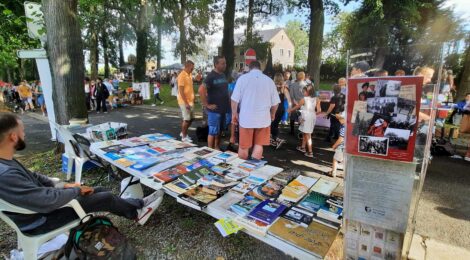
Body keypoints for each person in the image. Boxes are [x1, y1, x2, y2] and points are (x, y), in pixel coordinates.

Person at [0, 113, 165, 231]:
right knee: (104, 196)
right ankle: (137, 212)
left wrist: (67, 185)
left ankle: (137, 205)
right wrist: (76, 190)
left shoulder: (6, 160)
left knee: (98, 190)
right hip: (40, 220)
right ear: (13, 137)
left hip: (39, 211)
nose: (25, 134)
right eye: (22, 131)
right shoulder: (6, 174)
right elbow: (46, 201)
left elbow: (37, 178)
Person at [231, 61, 280, 160]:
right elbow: (275, 103)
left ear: (249, 68)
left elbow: (234, 100)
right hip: (263, 119)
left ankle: (241, 168)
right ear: (260, 68)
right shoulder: (269, 81)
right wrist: (273, 114)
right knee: (259, 145)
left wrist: (234, 114)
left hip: (246, 118)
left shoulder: (242, 79)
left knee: (244, 146)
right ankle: (253, 168)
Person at [199, 56, 230, 149]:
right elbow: (201, 90)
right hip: (214, 111)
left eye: (225, 63)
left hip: (223, 109)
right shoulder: (211, 76)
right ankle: (210, 150)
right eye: (222, 63)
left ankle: (217, 148)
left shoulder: (223, 75)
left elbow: (225, 89)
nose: (225, 65)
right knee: (212, 132)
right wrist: (206, 105)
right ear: (216, 64)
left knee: (219, 131)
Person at [288, 86, 321, 158]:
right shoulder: (317, 99)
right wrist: (312, 113)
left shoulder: (304, 99)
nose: (303, 93)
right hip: (312, 116)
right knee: (305, 133)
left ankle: (310, 152)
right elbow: (319, 111)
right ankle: (303, 147)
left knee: (307, 135)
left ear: (308, 92)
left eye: (304, 91)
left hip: (306, 117)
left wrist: (290, 110)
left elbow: (297, 107)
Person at [271, 73, 292, 149]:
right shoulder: (284, 88)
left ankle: (277, 139)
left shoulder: (272, 88)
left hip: (273, 109)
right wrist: (289, 109)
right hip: (281, 109)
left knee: (271, 125)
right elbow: (289, 101)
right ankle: (274, 140)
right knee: (275, 124)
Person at [177, 61, 196, 142]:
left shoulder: (189, 74)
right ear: (187, 66)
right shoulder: (182, 75)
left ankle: (183, 132)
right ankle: (184, 137)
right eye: (192, 67)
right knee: (187, 119)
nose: (193, 69)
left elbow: (189, 86)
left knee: (191, 118)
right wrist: (186, 103)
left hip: (190, 101)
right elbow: (181, 91)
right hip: (184, 102)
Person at [330, 112, 345, 177]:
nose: (339, 120)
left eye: (340, 119)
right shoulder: (349, 126)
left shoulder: (343, 128)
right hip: (347, 148)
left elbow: (341, 139)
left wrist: (334, 145)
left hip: (342, 147)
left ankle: (333, 172)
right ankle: (345, 174)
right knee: (345, 161)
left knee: (335, 159)